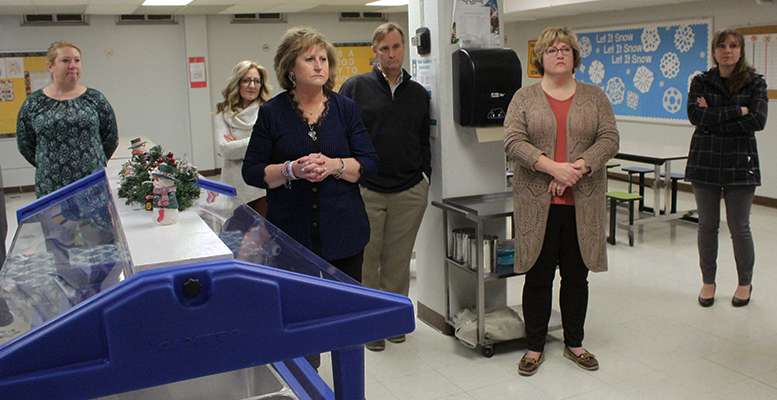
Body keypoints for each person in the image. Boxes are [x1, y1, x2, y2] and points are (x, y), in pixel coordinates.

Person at [504, 26, 619, 376]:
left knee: (575, 277)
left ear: (574, 57)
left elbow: (609, 137)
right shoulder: (524, 98)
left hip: (581, 204)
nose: (559, 54)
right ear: (541, 57)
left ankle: (574, 343)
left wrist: (579, 168)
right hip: (537, 204)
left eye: (565, 49)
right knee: (537, 277)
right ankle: (535, 347)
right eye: (552, 49)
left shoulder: (595, 96)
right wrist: (553, 168)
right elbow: (512, 140)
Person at [242, 26, 378, 282]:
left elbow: (369, 164)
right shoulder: (272, 113)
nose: (319, 66)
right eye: (310, 59)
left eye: (323, 59)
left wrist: (334, 165)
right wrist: (291, 170)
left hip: (345, 234)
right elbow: (251, 171)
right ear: (290, 68)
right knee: (300, 311)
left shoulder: (345, 109)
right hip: (290, 237)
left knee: (344, 310)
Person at [339, 22, 430, 352]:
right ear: (374, 52)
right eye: (384, 48)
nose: (391, 54)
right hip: (367, 189)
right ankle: (371, 324)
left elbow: (423, 140)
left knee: (398, 260)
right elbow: (340, 133)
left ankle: (393, 320)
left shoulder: (418, 93)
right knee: (367, 259)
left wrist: (425, 176)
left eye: (396, 47)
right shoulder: (355, 88)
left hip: (408, 189)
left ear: (403, 48)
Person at [687, 29, 768, 308]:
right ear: (714, 51)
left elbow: (758, 121)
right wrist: (738, 110)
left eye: (733, 46)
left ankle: (744, 283)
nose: (727, 51)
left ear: (741, 50)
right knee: (707, 226)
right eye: (721, 46)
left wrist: (714, 115)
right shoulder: (701, 81)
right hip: (705, 160)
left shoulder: (755, 83)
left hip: (740, 162)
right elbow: (695, 116)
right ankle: (708, 282)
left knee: (739, 226)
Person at [16, 41, 118, 198]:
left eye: (77, 60)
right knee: (56, 223)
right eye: (65, 60)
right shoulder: (34, 103)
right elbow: (25, 144)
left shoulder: (95, 99)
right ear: (50, 66)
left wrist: (93, 162)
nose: (72, 65)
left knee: (95, 223)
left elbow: (110, 137)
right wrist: (49, 164)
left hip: (91, 185)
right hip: (51, 186)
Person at [214, 60, 271, 214]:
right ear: (237, 83)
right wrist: (258, 142)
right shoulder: (223, 114)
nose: (252, 85)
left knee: (261, 234)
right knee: (234, 234)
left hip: (260, 186)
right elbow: (225, 150)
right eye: (246, 80)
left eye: (256, 81)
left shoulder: (269, 112)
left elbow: (271, 146)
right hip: (233, 185)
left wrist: (237, 144)